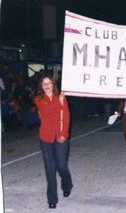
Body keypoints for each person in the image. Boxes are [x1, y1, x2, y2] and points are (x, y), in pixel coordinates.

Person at [34, 74, 73, 209]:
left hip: (60, 136)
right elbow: (45, 111)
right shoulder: (38, 99)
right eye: (44, 84)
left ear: (53, 85)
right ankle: (52, 198)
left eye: (49, 83)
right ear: (41, 87)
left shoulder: (61, 98)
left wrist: (64, 134)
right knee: (49, 168)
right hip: (46, 137)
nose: (46, 86)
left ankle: (67, 185)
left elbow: (66, 118)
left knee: (61, 166)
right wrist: (59, 102)